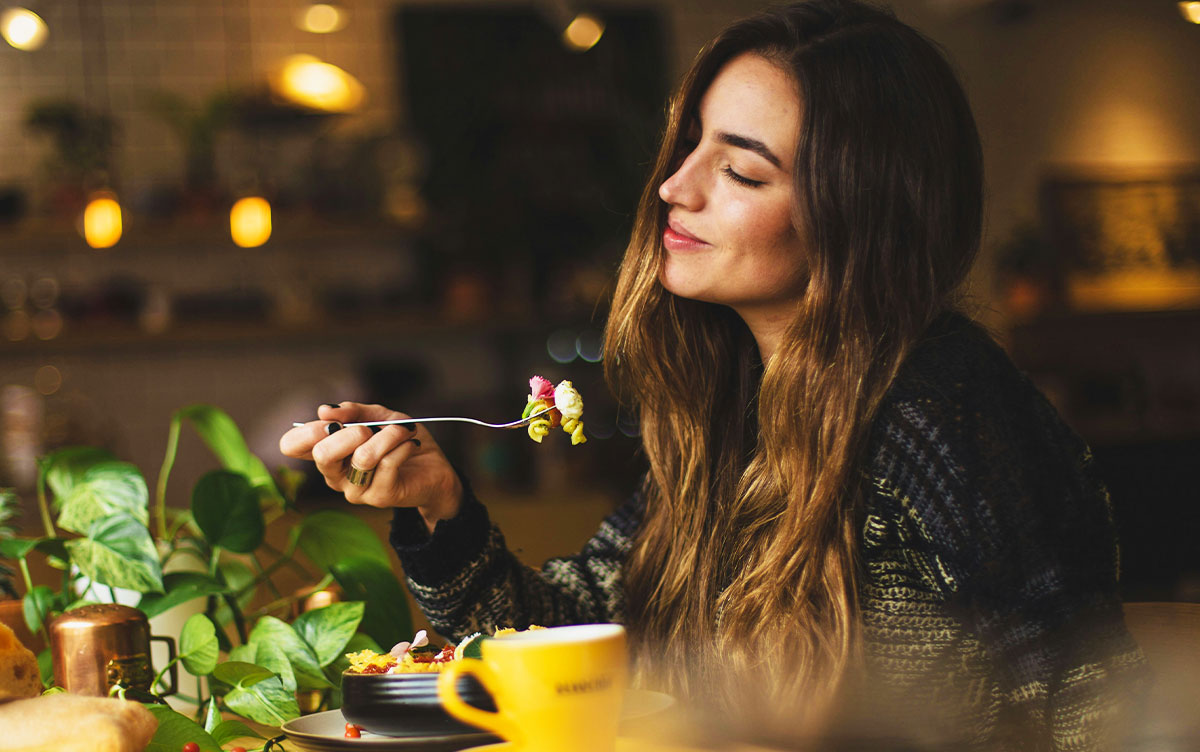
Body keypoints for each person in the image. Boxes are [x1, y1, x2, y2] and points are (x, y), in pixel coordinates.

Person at [281, 0, 1146, 747]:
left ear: (860, 214)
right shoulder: (735, 416)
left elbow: (1085, 709)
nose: (674, 187)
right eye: (689, 143)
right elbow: (567, 648)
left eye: (739, 168)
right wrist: (441, 507)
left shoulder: (942, 409)